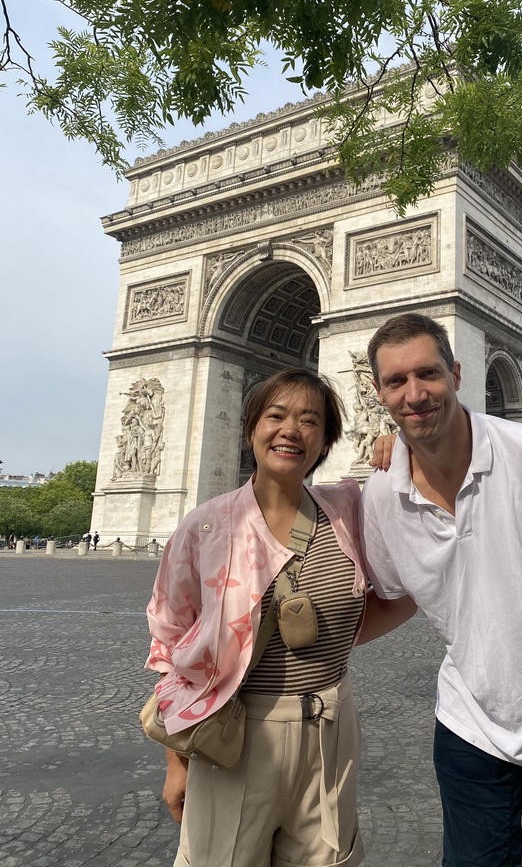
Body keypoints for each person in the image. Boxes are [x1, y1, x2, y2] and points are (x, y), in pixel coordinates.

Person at [359, 313, 522, 867]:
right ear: (378, 392)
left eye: (428, 374)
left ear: (458, 373)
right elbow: (402, 593)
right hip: (468, 722)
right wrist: (314, 645)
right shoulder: (381, 493)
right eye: (395, 382)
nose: (414, 394)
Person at [145, 368, 399, 867]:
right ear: (250, 428)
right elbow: (169, 649)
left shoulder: (349, 509)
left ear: (326, 440)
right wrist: (176, 762)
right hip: (237, 733)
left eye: (310, 420)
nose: (290, 430)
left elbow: (424, 516)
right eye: (275, 415)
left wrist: (405, 446)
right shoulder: (203, 528)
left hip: (330, 727)